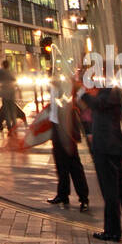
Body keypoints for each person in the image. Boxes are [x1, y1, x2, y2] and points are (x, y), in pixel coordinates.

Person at [79, 79, 122, 243]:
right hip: (112, 147)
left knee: (111, 192)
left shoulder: (108, 93)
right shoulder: (109, 92)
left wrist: (83, 92)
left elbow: (96, 104)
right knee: (121, 190)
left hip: (107, 149)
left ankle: (113, 231)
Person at [48, 75, 90, 211]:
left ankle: (83, 198)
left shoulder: (72, 86)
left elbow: (82, 100)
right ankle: (62, 194)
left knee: (73, 164)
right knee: (60, 163)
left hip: (68, 127)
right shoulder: (54, 85)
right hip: (56, 125)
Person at [0, 60, 25, 134]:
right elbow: (16, 82)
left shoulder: (3, 72)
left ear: (3, 65)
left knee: (7, 112)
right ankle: (14, 126)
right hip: (12, 94)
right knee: (13, 112)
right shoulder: (12, 72)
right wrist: (19, 91)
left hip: (5, 95)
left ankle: (9, 127)